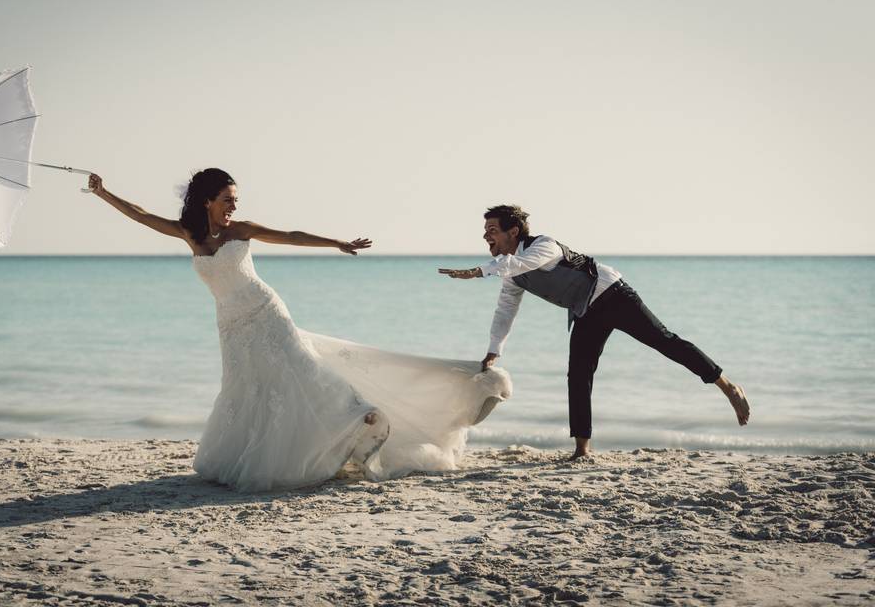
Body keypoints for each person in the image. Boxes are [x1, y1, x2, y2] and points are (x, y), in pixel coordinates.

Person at [87, 169, 511, 491]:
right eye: (227, 200)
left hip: (267, 314)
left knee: (305, 375)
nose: (233, 206)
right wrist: (103, 193)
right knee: (250, 390)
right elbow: (141, 215)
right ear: (205, 202)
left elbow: (290, 235)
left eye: (235, 200)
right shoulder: (188, 233)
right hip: (232, 327)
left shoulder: (241, 231)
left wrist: (336, 243)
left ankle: (362, 419)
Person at [439, 204, 749, 460]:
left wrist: (476, 272)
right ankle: (582, 449)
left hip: (614, 295)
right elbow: (506, 310)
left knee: (664, 342)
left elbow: (517, 262)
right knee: (578, 373)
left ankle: (726, 384)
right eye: (485, 231)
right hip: (586, 311)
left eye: (492, 230)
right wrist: (495, 348)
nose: (485, 235)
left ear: (513, 232)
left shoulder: (541, 246)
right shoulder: (511, 275)